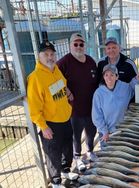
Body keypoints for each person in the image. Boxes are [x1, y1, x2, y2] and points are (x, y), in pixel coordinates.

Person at [27, 41, 78, 188]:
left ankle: (66, 170)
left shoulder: (55, 70)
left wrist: (67, 92)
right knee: (53, 153)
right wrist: (43, 126)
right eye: (46, 54)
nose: (50, 57)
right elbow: (34, 108)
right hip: (51, 123)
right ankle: (55, 182)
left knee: (67, 149)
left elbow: (61, 85)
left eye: (52, 54)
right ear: (39, 56)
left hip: (65, 118)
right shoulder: (35, 78)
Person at [57, 33, 98, 171]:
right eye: (75, 44)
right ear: (70, 46)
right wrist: (66, 91)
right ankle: (77, 158)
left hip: (91, 108)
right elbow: (54, 81)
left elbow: (98, 81)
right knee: (76, 135)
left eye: (81, 44)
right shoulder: (64, 62)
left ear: (85, 46)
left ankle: (90, 151)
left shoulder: (91, 61)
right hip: (74, 110)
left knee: (91, 132)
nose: (78, 47)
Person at [92, 64, 139, 149]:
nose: (109, 78)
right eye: (106, 75)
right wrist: (104, 131)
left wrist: (137, 79)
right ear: (103, 77)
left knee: (124, 155)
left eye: (112, 75)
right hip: (107, 133)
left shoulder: (124, 87)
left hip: (123, 129)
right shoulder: (98, 93)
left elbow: (131, 87)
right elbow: (96, 116)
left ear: (117, 77)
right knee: (107, 157)